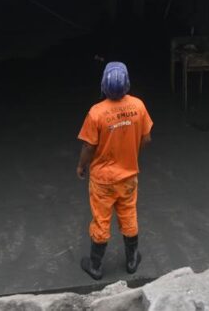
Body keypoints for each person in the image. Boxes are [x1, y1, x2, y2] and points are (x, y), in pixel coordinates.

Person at [77, 62, 153, 280]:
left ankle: (96, 266)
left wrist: (81, 166)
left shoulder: (96, 113)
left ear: (103, 84)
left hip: (102, 180)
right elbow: (146, 138)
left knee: (101, 220)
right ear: (127, 83)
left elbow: (88, 146)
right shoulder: (138, 106)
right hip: (128, 177)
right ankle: (131, 261)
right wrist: (129, 150)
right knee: (128, 215)